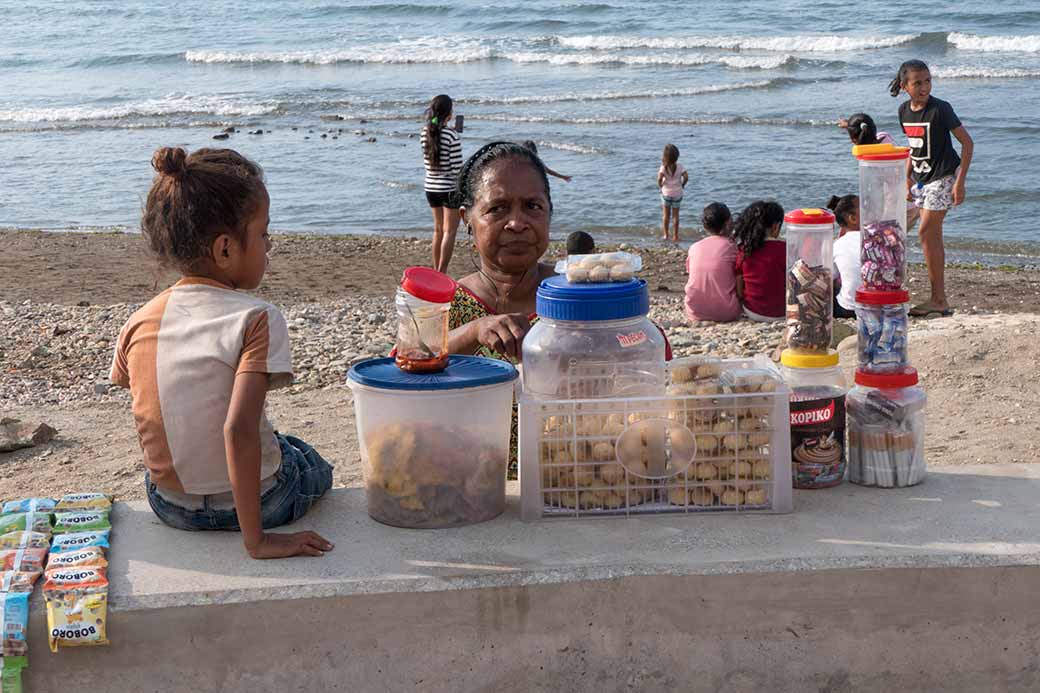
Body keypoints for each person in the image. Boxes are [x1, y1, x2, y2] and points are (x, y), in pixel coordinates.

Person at [110, 147, 334, 560]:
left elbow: (148, 400)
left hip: (171, 506)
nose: (268, 246)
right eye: (264, 234)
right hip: (264, 504)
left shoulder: (138, 321)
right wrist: (257, 540)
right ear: (225, 249)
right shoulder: (257, 318)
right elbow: (237, 430)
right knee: (308, 461)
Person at [891, 59, 974, 316]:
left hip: (945, 176)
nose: (925, 87)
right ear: (905, 86)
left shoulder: (941, 109)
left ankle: (939, 299)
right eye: (918, 83)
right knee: (928, 234)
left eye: (928, 81)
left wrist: (960, 182)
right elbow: (913, 148)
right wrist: (906, 177)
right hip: (922, 181)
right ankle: (938, 298)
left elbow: (967, 143)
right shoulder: (904, 111)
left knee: (927, 231)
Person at [837, 112, 919, 229]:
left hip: (902, 208)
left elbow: (878, 196)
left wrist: (870, 220)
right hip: (914, 199)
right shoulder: (884, 136)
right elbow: (867, 133)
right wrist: (850, 126)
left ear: (853, 140)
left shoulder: (872, 162)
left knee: (887, 238)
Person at [421, 94, 463, 274]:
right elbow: (456, 169)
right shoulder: (452, 135)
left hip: (430, 187)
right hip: (448, 188)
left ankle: (435, 271)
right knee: (449, 231)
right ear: (449, 113)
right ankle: (442, 271)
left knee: (438, 230)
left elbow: (429, 162)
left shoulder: (425, 132)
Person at [683, 202, 740, 323]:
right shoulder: (732, 247)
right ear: (728, 223)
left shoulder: (694, 247)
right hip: (727, 312)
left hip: (695, 310)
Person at [732, 201, 786, 322]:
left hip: (753, 311)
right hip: (783, 313)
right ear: (776, 227)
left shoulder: (744, 250)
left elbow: (739, 291)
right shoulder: (785, 248)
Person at [828, 194, 860, 319]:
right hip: (884, 306)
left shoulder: (838, 244)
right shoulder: (880, 238)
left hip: (850, 309)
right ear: (852, 218)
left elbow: (828, 279)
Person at [657, 144, 688, 242]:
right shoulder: (680, 166)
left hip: (666, 193)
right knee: (675, 216)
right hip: (677, 193)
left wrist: (661, 185)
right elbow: (686, 177)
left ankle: (666, 235)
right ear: (676, 156)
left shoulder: (663, 167)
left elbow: (659, 179)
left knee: (666, 216)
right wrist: (682, 184)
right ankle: (675, 236)